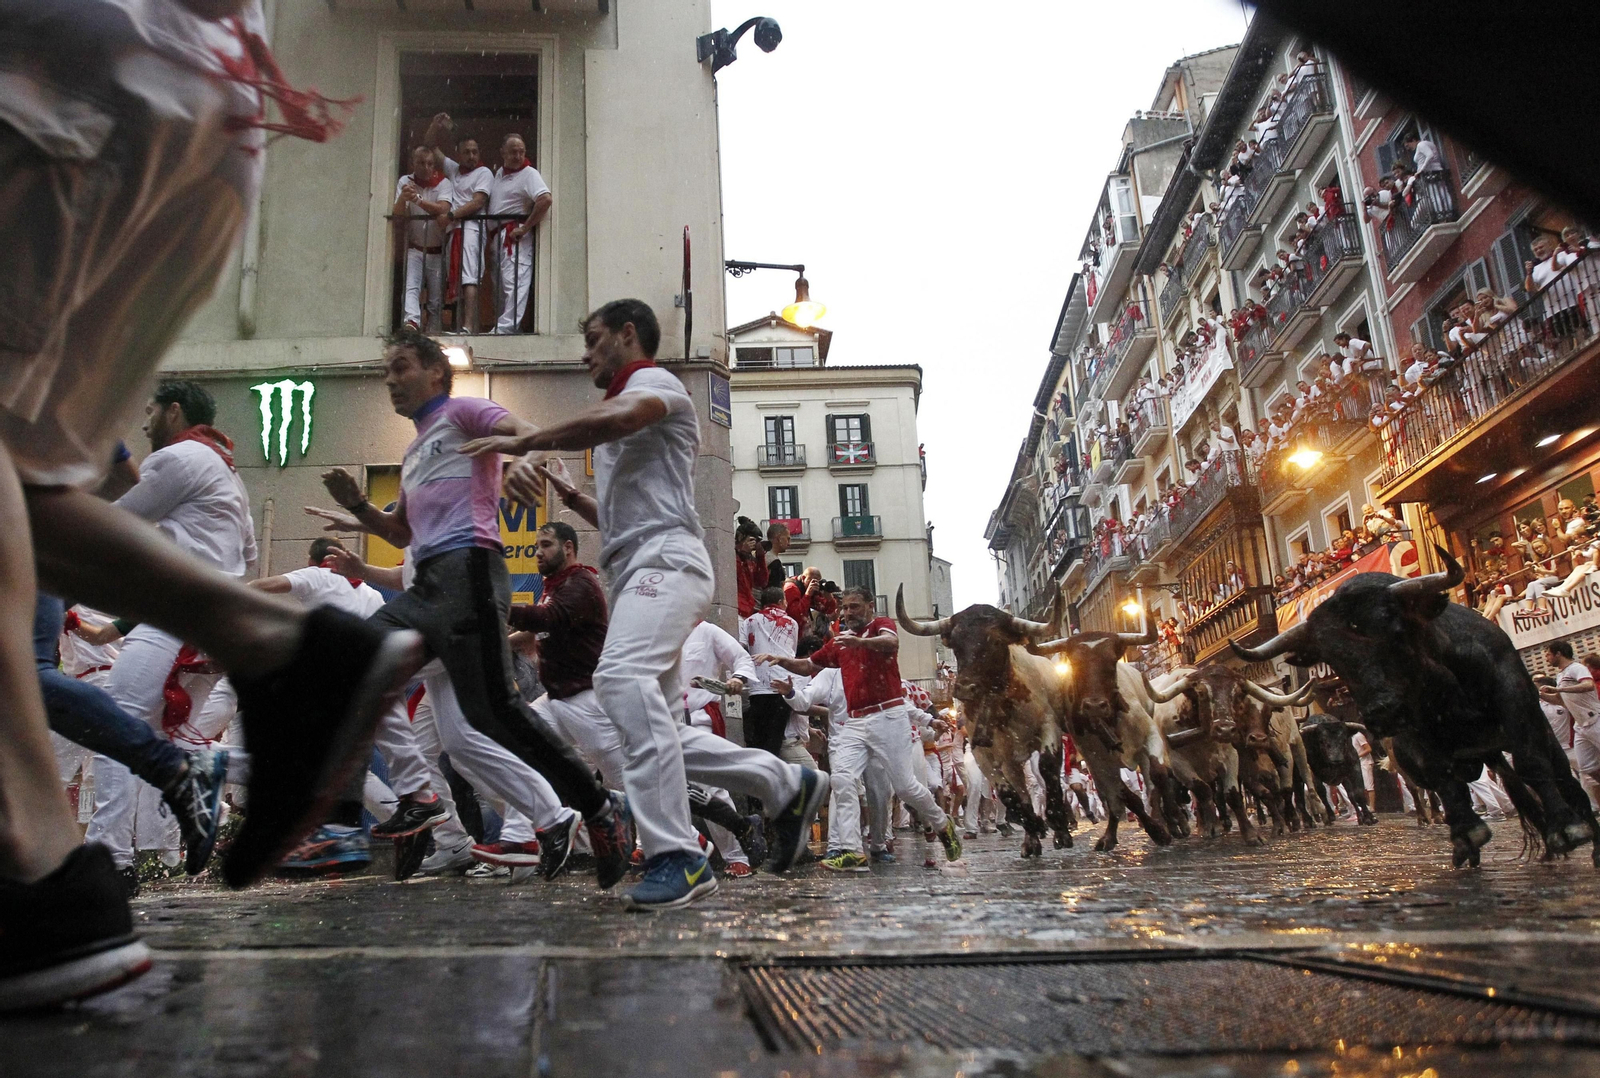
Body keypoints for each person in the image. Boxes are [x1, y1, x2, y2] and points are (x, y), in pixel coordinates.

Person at [0, 0, 422, 1011]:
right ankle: (280, 644)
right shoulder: (213, 467)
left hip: (65, 71)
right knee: (22, 481)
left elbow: (139, 506)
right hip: (203, 100)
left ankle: (33, 858)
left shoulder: (191, 464)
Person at [462, 299, 829, 908]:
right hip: (643, 569)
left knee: (618, 682)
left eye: (595, 338)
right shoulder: (617, 430)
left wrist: (530, 437)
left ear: (628, 335)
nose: (585, 354)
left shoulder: (654, 385)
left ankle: (677, 856)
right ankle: (784, 783)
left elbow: (624, 415)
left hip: (667, 565)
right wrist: (573, 497)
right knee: (654, 731)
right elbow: (625, 513)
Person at [313, 327, 631, 890]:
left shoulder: (464, 412)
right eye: (386, 372)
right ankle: (416, 800)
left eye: (402, 368)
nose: (391, 381)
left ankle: (597, 810)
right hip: (426, 586)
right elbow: (400, 530)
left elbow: (522, 430)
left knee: (495, 714)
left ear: (437, 372)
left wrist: (523, 459)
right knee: (350, 667)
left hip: (471, 573)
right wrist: (358, 505)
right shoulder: (412, 453)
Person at [249, 539, 451, 871]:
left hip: (350, 677)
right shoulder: (371, 594)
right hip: (379, 669)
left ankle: (334, 831)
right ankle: (415, 809)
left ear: (315, 560)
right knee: (388, 743)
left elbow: (267, 585)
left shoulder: (317, 576)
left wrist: (227, 596)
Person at [756, 586, 961, 873]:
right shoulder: (840, 643)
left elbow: (890, 643)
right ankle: (852, 851)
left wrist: (860, 644)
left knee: (905, 787)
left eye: (854, 607)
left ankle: (942, 823)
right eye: (844, 608)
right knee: (842, 780)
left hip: (888, 716)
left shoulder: (881, 626)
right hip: (853, 723)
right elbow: (808, 665)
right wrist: (782, 660)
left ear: (869, 606)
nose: (847, 613)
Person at [424, 114, 494, 335]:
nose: (472, 156)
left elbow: (478, 202)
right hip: (454, 231)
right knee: (455, 277)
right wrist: (435, 126)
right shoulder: (454, 169)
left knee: (469, 276)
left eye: (475, 152)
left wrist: (451, 216)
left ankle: (468, 326)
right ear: (458, 154)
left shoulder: (484, 173)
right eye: (467, 152)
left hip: (471, 229)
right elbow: (429, 146)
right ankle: (458, 325)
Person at [487, 134, 552, 334]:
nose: (518, 156)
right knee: (500, 284)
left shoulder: (529, 173)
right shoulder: (499, 174)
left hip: (514, 236)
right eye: (513, 152)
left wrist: (525, 227)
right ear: (503, 153)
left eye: (521, 151)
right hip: (498, 237)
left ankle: (507, 327)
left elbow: (545, 199)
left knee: (514, 281)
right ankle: (503, 324)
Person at [392, 145, 453, 332]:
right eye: (421, 163)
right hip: (415, 247)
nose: (426, 167)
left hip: (437, 249)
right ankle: (411, 322)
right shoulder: (405, 181)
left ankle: (434, 329)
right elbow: (398, 214)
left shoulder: (444, 183)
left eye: (429, 164)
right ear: (413, 163)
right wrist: (404, 198)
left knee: (435, 297)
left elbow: (443, 209)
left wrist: (417, 200)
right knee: (411, 287)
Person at [743, 587, 800, 759]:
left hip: (758, 686)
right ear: (782, 601)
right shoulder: (792, 622)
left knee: (759, 736)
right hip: (782, 684)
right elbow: (792, 652)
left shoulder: (750, 621)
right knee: (775, 738)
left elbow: (743, 647)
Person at [1541, 641, 1600, 805]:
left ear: (1558, 654)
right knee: (1587, 768)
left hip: (1595, 719)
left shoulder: (1577, 668)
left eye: (1548, 654)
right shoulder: (1560, 675)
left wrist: (1560, 689)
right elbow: (1560, 701)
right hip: (1581, 727)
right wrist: (1538, 694)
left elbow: (1588, 685)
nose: (1547, 658)